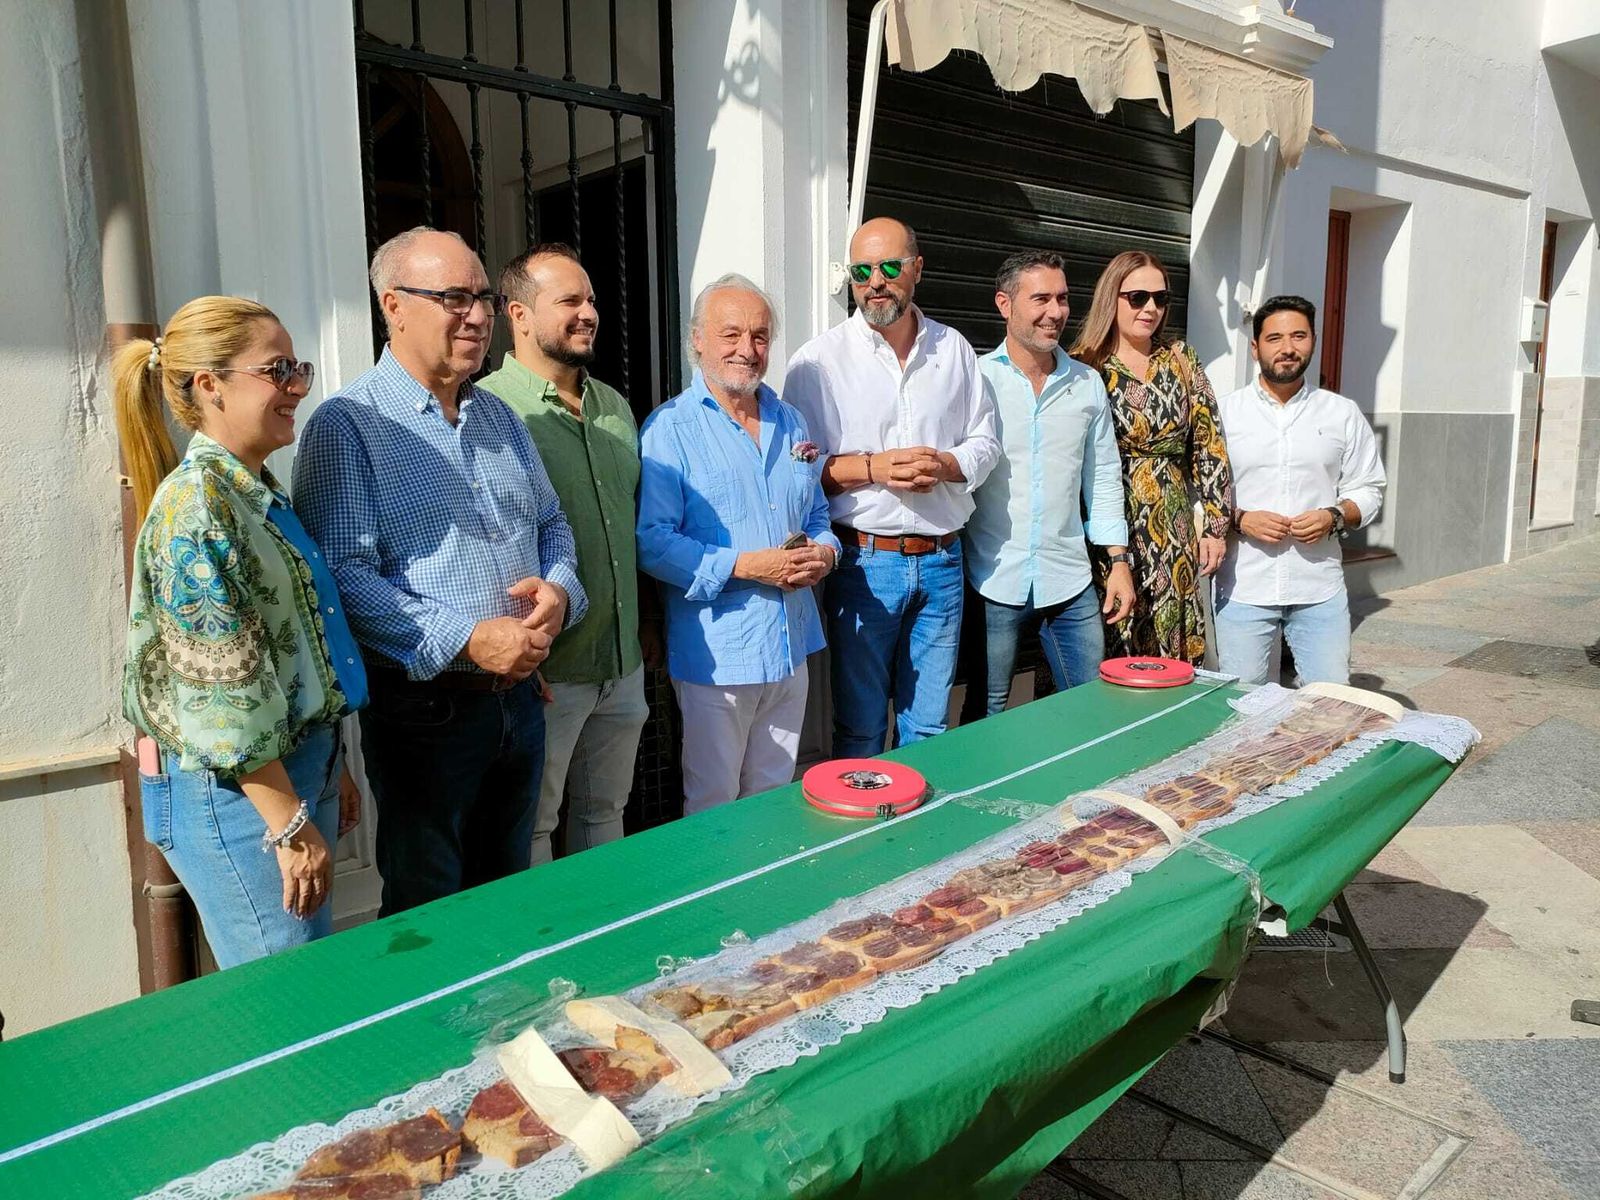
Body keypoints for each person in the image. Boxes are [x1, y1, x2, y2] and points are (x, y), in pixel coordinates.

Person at [294, 227, 587, 915]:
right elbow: (341, 574)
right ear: (393, 305)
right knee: (432, 903)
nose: (480, 315)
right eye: (455, 297)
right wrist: (465, 639)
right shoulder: (349, 425)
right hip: (428, 713)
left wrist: (559, 593)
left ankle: (508, 1022)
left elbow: (553, 524)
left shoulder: (500, 418)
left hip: (519, 699)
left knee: (507, 893)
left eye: (482, 297)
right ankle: (432, 1028)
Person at [117, 297, 367, 966]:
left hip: (279, 776)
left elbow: (291, 655)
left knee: (300, 984)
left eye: (297, 367)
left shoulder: (252, 489)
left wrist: (330, 768)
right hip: (238, 796)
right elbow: (222, 696)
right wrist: (288, 819)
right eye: (277, 369)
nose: (295, 386)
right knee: (289, 1004)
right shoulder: (197, 505)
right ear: (210, 385)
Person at [785, 217, 999, 755]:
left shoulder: (953, 349)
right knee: (859, 728)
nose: (874, 281)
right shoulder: (817, 361)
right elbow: (796, 471)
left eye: (888, 267)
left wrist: (947, 464)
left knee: (929, 728)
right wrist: (875, 468)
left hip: (943, 560)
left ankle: (923, 836)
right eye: (861, 270)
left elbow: (987, 441)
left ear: (917, 269)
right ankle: (862, 836)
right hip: (863, 562)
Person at [479, 244, 655, 864]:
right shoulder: (489, 411)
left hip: (621, 661)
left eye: (592, 300)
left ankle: (609, 950)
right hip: (550, 672)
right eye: (570, 301)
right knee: (532, 827)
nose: (589, 313)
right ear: (518, 315)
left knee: (606, 815)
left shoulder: (614, 407)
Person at [637, 275, 838, 813]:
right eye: (731, 335)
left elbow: (818, 514)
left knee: (774, 791)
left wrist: (825, 553)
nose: (747, 350)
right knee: (713, 801)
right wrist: (746, 566)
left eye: (760, 336)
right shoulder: (670, 429)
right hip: (719, 652)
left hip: (790, 643)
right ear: (697, 339)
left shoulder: (791, 421)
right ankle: (716, 898)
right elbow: (652, 543)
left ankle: (768, 895)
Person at [965, 251, 1137, 715]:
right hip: (993, 576)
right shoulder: (976, 380)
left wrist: (1117, 561)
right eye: (1040, 298)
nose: (1056, 311)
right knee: (988, 710)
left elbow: (1102, 477)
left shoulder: (1086, 384)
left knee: (1085, 706)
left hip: (1070, 578)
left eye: (1062, 298)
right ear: (1005, 304)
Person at [1070, 250, 1233, 664]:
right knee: (1110, 642)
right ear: (1113, 297)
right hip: (1104, 526)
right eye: (1138, 297)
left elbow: (1209, 443)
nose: (1151, 309)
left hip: (1171, 528)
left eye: (1160, 299)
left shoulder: (1181, 359)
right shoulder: (1083, 365)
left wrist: (1215, 524)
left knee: (1168, 646)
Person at [1215, 295, 1386, 685]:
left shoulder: (1341, 413)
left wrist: (1334, 516)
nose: (1288, 348)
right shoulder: (1224, 413)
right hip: (1244, 586)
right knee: (1242, 705)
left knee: (1330, 702)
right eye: (1274, 338)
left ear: (1313, 341)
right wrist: (1241, 519)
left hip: (1318, 587)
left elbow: (1370, 488)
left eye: (1299, 336)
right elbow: (1197, 493)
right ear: (1255, 347)